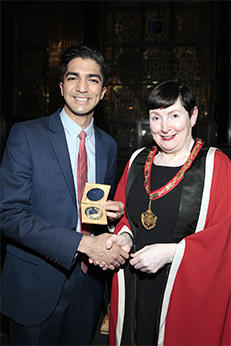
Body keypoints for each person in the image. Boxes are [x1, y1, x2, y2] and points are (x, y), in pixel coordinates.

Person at [0, 44, 128, 346]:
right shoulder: (26, 135)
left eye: (93, 80)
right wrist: (83, 244)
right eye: (73, 78)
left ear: (104, 91)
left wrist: (111, 221)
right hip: (36, 288)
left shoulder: (109, 146)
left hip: (88, 288)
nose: (82, 88)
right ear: (61, 86)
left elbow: (91, 212)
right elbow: (9, 214)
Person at [106, 80, 231, 345]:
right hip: (135, 286)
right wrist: (125, 237)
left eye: (174, 115)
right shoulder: (138, 160)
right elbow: (127, 217)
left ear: (193, 115)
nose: (164, 127)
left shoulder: (216, 166)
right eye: (156, 117)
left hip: (186, 291)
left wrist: (171, 253)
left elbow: (224, 238)